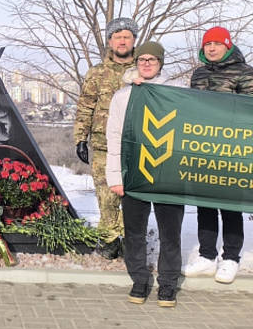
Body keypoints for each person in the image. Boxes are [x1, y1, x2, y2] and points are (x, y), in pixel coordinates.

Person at [105, 41, 185, 307]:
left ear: (161, 63)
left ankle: (168, 284)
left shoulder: (177, 93)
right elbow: (114, 137)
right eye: (142, 59)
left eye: (152, 59)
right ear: (136, 63)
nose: (147, 63)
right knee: (134, 232)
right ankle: (139, 279)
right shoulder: (123, 96)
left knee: (170, 233)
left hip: (168, 175)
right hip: (134, 174)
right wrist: (115, 177)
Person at [186, 26, 253, 283]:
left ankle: (230, 258)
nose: (212, 48)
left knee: (230, 206)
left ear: (228, 46)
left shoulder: (246, 73)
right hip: (203, 148)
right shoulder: (199, 74)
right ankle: (207, 256)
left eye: (217, 44)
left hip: (232, 150)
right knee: (205, 205)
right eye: (208, 45)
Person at [73, 17, 138, 259]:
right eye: (117, 36)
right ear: (110, 41)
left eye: (127, 36)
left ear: (134, 40)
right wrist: (80, 137)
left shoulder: (142, 70)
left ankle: (132, 239)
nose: (122, 41)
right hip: (103, 144)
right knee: (106, 194)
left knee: (132, 195)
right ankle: (110, 240)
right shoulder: (97, 73)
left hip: (135, 144)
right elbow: (86, 106)